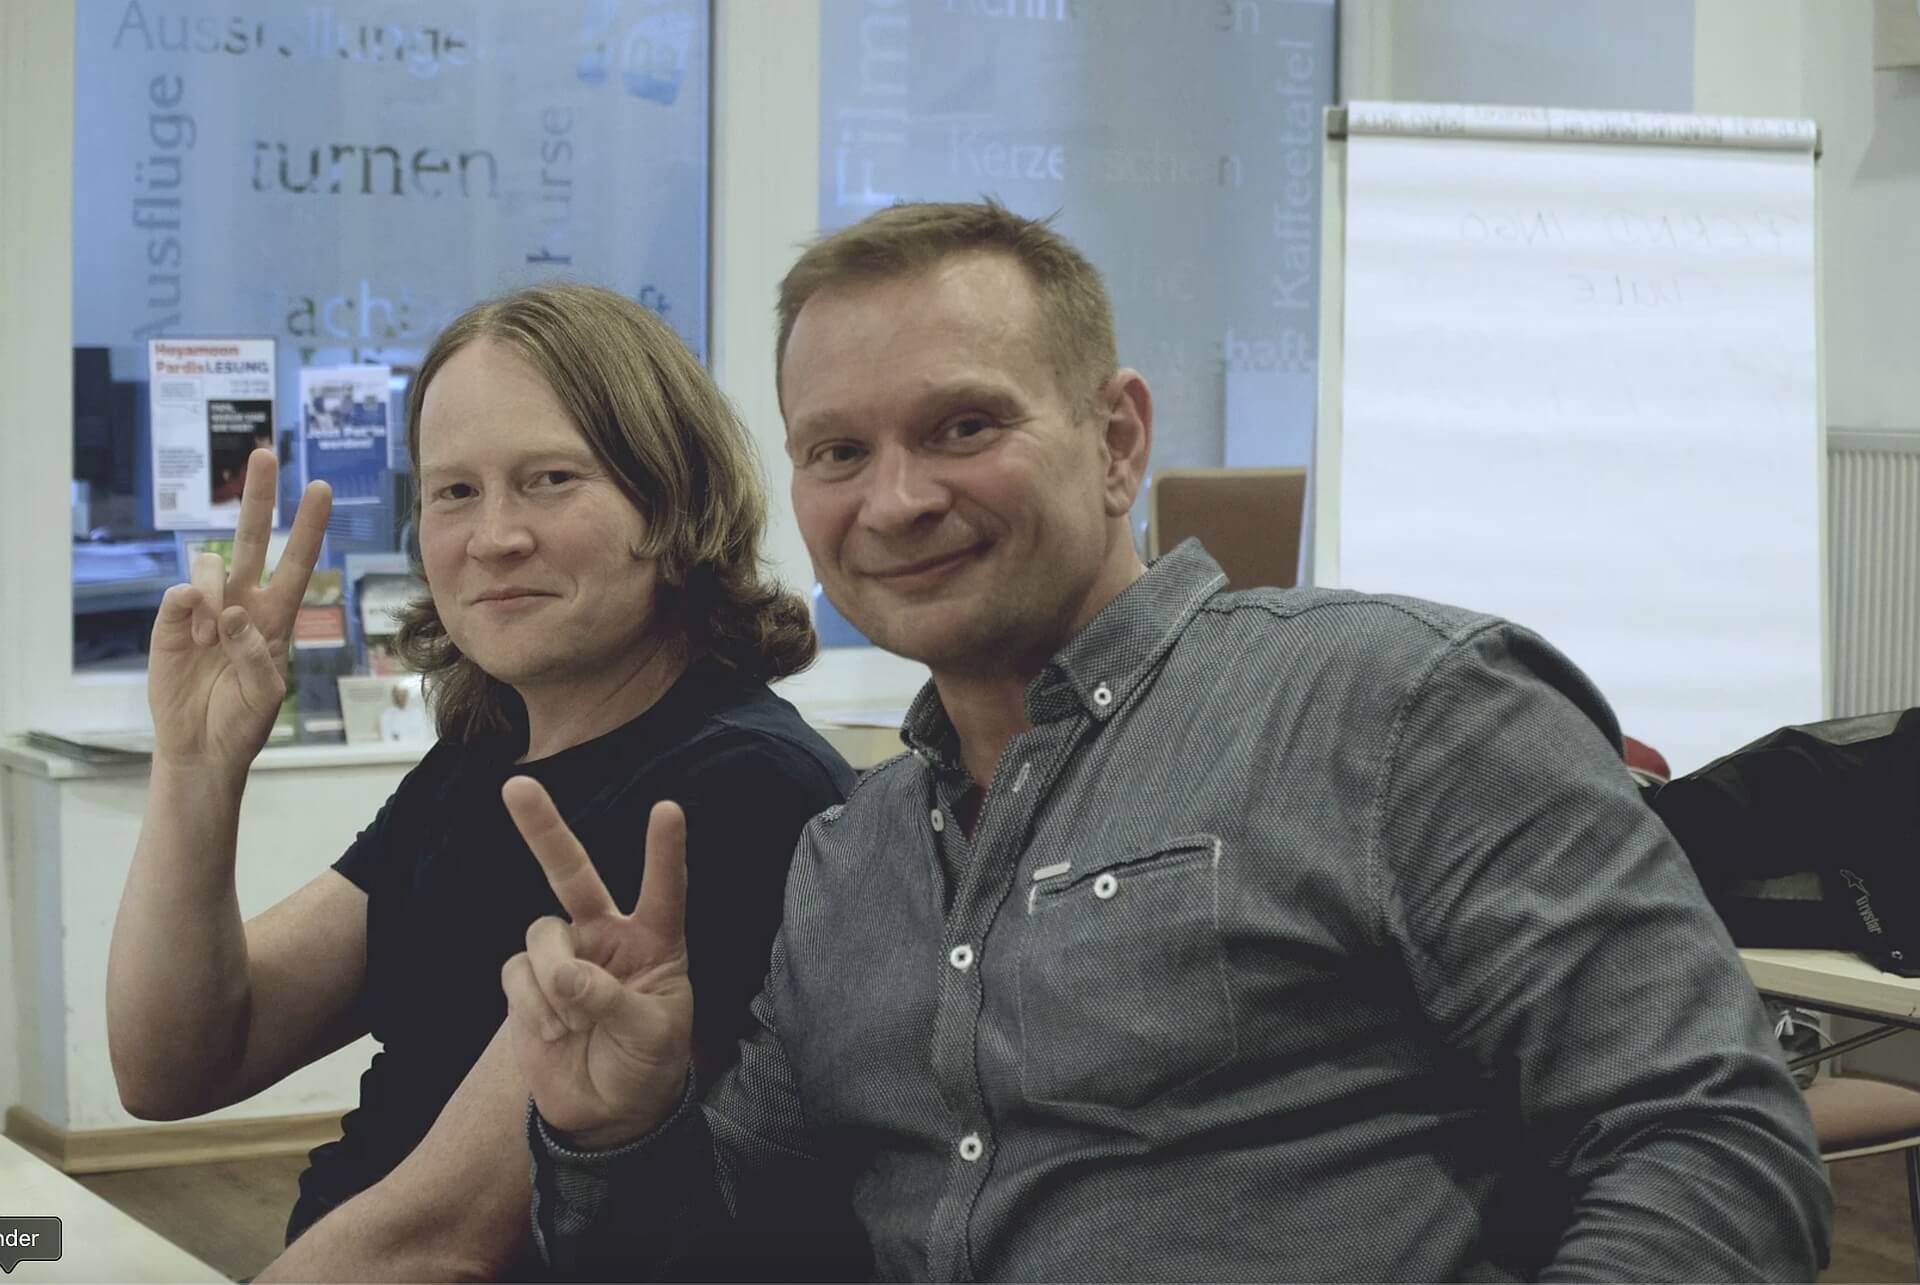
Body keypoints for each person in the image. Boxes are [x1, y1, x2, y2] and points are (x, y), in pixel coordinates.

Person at [505, 203, 1833, 1280]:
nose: (897, 499)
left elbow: (1710, 1144)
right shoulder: (847, 864)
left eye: (964, 425)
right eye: (838, 451)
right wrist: (620, 1126)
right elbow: (734, 1250)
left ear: (1118, 439)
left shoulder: (1396, 707)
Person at [105, 283, 855, 1280]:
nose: (493, 536)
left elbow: (442, 1243)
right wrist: (197, 765)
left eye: (549, 478)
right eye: (455, 491)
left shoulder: (740, 788)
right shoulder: (484, 751)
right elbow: (178, 1059)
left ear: (672, 499)